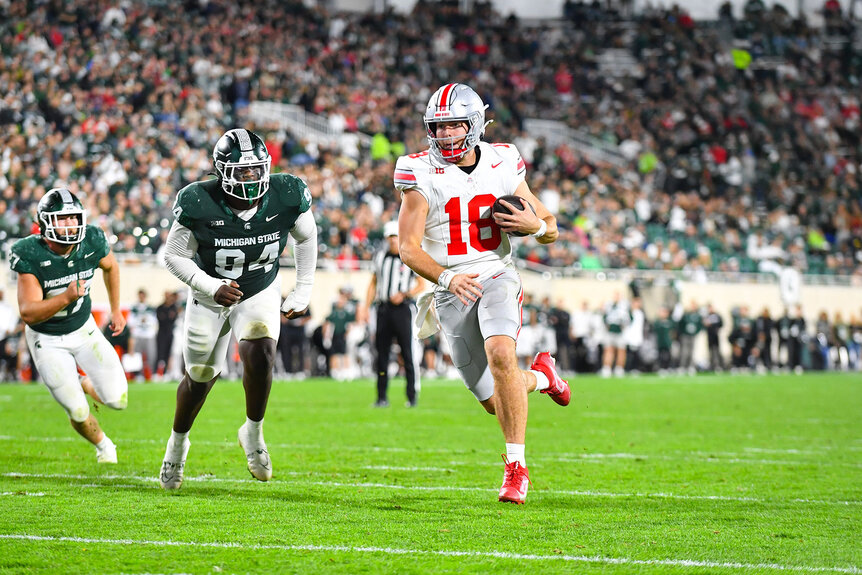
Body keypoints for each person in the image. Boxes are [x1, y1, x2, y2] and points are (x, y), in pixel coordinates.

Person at [395, 82, 570, 504]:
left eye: (455, 125)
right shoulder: (416, 170)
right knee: (493, 399)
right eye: (439, 127)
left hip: (495, 273)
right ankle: (544, 376)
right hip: (450, 286)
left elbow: (550, 225)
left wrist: (537, 228)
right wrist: (445, 279)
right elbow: (407, 247)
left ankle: (516, 468)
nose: (446, 135)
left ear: (475, 124)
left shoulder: (503, 159)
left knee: (501, 355)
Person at [158, 128, 318, 490]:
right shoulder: (198, 200)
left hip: (258, 287)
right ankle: (177, 444)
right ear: (221, 172)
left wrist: (303, 288)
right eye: (241, 172)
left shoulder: (287, 192)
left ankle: (254, 433)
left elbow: (306, 236)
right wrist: (210, 285)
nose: (251, 179)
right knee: (200, 376)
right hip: (210, 293)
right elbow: (174, 256)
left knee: (262, 348)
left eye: (256, 170)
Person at [10, 188, 128, 463]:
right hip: (47, 338)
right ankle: (104, 446)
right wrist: (66, 296)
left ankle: (83, 382)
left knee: (118, 400)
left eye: (74, 217)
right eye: (62, 219)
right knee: (76, 410)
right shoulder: (29, 253)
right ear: (45, 222)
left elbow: (111, 267)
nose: (70, 224)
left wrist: (115, 310)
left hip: (83, 329)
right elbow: (28, 312)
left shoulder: (92, 240)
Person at [360, 221, 426, 408]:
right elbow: (373, 282)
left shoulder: (410, 256)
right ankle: (381, 397)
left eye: (395, 237)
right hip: (383, 309)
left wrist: (405, 294)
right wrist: (366, 307)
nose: (392, 241)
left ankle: (411, 397)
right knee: (381, 355)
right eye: (389, 237)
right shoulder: (380, 257)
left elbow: (421, 284)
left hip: (403, 309)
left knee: (407, 353)